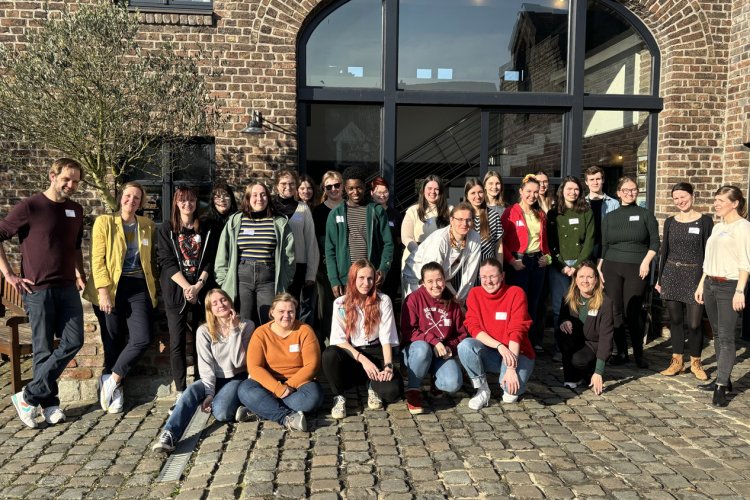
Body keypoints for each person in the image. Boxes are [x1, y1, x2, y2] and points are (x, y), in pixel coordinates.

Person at [1, 158, 86, 428]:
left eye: (75, 181)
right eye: (66, 179)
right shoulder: (31, 206)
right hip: (38, 290)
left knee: (74, 340)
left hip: (67, 287)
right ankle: (50, 405)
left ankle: (27, 397)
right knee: (43, 349)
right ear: (52, 176)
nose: (71, 185)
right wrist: (9, 274)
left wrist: (80, 273)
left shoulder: (76, 210)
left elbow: (75, 247)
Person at [83, 182, 158, 413]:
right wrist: (104, 292)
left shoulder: (147, 225)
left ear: (141, 202)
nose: (131, 200)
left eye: (137, 198)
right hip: (111, 287)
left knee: (142, 337)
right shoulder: (105, 222)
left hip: (138, 286)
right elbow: (97, 260)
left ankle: (112, 380)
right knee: (112, 340)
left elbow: (151, 259)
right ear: (120, 197)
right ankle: (117, 391)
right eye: (128, 195)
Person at [153, 289, 255, 453]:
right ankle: (169, 434)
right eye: (214, 303)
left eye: (223, 300)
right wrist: (209, 393)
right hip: (214, 377)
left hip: (237, 377)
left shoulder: (247, 325)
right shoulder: (204, 331)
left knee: (221, 413)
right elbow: (206, 366)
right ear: (210, 310)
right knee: (191, 390)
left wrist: (235, 329)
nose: (220, 305)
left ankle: (243, 405)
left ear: (230, 301)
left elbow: (239, 361)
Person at [158, 186, 218, 400]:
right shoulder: (166, 229)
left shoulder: (206, 228)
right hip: (176, 291)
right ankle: (181, 390)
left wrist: (198, 286)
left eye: (191, 200)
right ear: (176, 203)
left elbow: (210, 259)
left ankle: (205, 386)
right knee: (177, 342)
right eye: (183, 200)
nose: (187, 204)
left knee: (205, 339)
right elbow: (166, 261)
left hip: (201, 290)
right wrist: (186, 287)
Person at [322, 260, 401, 419]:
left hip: (376, 351)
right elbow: (338, 339)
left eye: (370, 278)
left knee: (392, 392)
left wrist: (388, 366)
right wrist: (363, 360)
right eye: (361, 278)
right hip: (352, 353)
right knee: (329, 354)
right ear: (353, 278)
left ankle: (372, 385)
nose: (366, 283)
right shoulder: (340, 303)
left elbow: (386, 337)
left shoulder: (383, 300)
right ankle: (339, 396)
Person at [695, 185, 750, 407]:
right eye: (715, 199)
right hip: (711, 284)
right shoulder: (718, 227)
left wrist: (740, 291)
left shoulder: (743, 227)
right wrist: (701, 284)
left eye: (721, 200)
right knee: (717, 335)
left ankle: (720, 387)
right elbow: (708, 261)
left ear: (734, 203)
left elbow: (745, 263)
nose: (716, 204)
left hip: (730, 286)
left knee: (727, 337)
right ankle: (723, 378)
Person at [237, 293, 323, 431]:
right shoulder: (261, 333)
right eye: (281, 311)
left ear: (296, 312)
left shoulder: (305, 331)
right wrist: (277, 388)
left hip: (298, 385)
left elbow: (312, 366)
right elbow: (254, 367)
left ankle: (261, 409)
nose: (286, 315)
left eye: (291, 311)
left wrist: (287, 387)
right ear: (272, 312)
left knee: (313, 398)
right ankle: (286, 418)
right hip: (268, 384)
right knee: (244, 389)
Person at [215, 180, 295, 326]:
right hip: (242, 279)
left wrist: (286, 279)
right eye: (255, 195)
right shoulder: (236, 220)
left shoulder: (279, 222)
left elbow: (289, 256)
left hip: (268, 279)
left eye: (263, 195)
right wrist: (223, 280)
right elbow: (223, 251)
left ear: (268, 198)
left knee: (268, 322)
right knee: (243, 322)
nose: (259, 199)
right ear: (248, 198)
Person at [599, 176, 659, 368]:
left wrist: (646, 262)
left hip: (637, 267)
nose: (629, 193)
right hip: (611, 267)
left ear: (637, 191)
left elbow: (655, 243)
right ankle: (622, 352)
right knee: (615, 310)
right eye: (625, 190)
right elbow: (604, 245)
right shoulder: (610, 217)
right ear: (618, 193)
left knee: (633, 311)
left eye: (633, 189)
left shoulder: (645, 215)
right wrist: (600, 266)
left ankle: (639, 354)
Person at [458, 258, 535, 409]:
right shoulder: (474, 294)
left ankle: (507, 376)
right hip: (492, 352)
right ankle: (482, 389)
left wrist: (511, 369)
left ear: (502, 276)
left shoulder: (515, 293)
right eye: (484, 277)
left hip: (517, 352)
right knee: (465, 346)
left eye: (492, 276)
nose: (488, 281)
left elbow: (517, 331)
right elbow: (474, 328)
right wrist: (499, 346)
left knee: (510, 393)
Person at [655, 182, 713, 380]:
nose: (680, 201)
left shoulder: (705, 222)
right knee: (676, 320)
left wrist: (704, 281)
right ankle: (677, 362)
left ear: (692, 196)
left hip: (695, 275)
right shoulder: (670, 222)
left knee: (695, 323)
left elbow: (709, 254)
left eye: (683, 196)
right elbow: (664, 251)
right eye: (676, 198)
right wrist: (660, 278)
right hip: (672, 274)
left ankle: (696, 362)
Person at [400, 262, 469, 414]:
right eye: (430, 281)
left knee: (452, 383)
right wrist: (433, 341)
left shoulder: (452, 303)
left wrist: (450, 347)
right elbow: (408, 331)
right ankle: (413, 390)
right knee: (422, 348)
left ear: (445, 280)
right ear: (423, 283)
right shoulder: (413, 299)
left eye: (439, 280)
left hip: (440, 354)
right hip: (415, 352)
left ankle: (435, 381)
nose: (435, 285)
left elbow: (461, 334)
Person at [325, 166, 394, 298]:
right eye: (351, 188)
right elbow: (330, 250)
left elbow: (388, 244)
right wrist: (334, 279)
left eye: (359, 187)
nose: (355, 192)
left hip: (371, 278)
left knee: (371, 310)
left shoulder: (377, 211)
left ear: (365, 187)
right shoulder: (335, 214)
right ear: (345, 188)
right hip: (346, 278)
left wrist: (383, 269)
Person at [500, 174, 551, 352]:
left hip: (537, 262)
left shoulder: (540, 214)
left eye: (536, 192)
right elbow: (501, 242)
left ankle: (530, 342)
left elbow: (545, 242)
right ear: (521, 191)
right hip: (518, 262)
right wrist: (511, 261)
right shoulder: (510, 212)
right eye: (528, 191)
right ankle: (516, 342)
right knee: (518, 304)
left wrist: (548, 257)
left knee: (534, 304)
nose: (532, 195)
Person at [556, 262, 613, 394]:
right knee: (562, 333)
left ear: (596, 279)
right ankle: (570, 377)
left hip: (593, 345)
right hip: (575, 341)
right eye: (581, 276)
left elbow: (606, 338)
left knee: (578, 360)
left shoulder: (605, 303)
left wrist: (599, 372)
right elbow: (561, 317)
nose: (585, 281)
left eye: (589, 277)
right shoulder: (568, 297)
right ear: (576, 279)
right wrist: (564, 321)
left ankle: (590, 372)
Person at [547, 176, 595, 332]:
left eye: (576, 189)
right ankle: (560, 343)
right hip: (558, 266)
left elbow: (589, 241)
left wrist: (577, 266)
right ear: (562, 191)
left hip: (581, 265)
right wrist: (561, 265)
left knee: (581, 305)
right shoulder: (553, 213)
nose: (572, 192)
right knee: (558, 306)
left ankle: (581, 340)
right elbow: (550, 242)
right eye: (569, 189)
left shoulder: (586, 212)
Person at [273, 169, 319, 326]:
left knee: (293, 308)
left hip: (298, 266)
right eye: (283, 183)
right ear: (276, 186)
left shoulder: (302, 208)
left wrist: (311, 273)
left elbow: (311, 241)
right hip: (273, 265)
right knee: (275, 307)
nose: (288, 187)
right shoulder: (270, 208)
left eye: (292, 183)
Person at [412, 203, 482, 304]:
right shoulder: (440, 240)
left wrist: (460, 299)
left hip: (443, 279)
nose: (464, 224)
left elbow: (470, 272)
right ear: (451, 220)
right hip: (417, 277)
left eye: (468, 220)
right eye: (460, 219)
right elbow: (431, 274)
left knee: (454, 307)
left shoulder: (475, 238)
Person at [401, 175, 451, 296]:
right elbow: (406, 237)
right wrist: (422, 253)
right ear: (423, 190)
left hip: (439, 260)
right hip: (415, 260)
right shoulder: (413, 210)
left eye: (436, 189)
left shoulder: (449, 211)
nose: (432, 192)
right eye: (429, 188)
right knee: (414, 299)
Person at [312, 170, 344, 348]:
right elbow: (315, 241)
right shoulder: (318, 212)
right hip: (325, 266)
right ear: (324, 188)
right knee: (328, 306)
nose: (333, 189)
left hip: (348, 265)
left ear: (343, 186)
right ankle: (329, 343)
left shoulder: (350, 208)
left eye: (337, 185)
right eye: (329, 186)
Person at [370, 176, 402, 302]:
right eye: (379, 192)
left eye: (385, 192)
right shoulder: (367, 212)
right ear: (372, 193)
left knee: (389, 299)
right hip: (373, 264)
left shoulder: (395, 215)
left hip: (392, 264)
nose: (382, 195)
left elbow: (399, 239)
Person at [584, 166, 619, 260]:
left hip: (607, 248)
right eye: (591, 179)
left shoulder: (614, 204)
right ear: (586, 182)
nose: (595, 182)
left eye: (598, 179)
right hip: (585, 248)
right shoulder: (581, 204)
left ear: (603, 180)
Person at [465, 178, 503, 263]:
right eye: (473, 193)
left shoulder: (494, 216)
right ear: (467, 196)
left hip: (488, 266)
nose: (478, 196)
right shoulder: (461, 217)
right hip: (467, 266)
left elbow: (499, 246)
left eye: (480, 192)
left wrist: (500, 267)